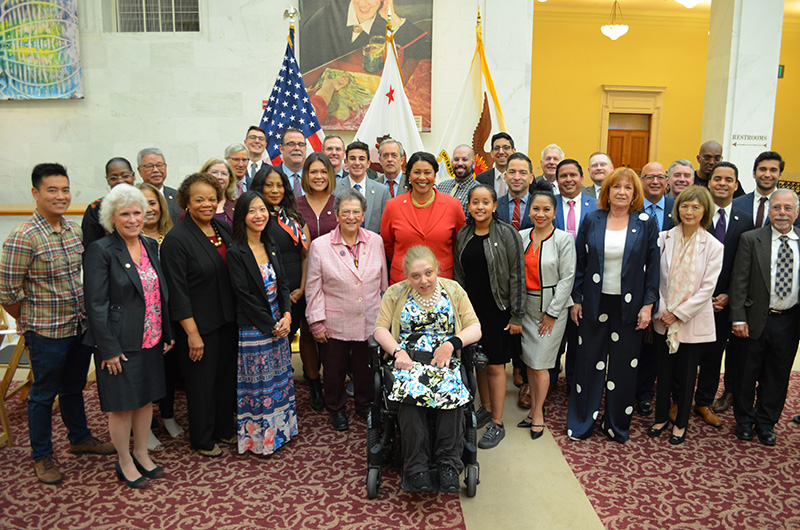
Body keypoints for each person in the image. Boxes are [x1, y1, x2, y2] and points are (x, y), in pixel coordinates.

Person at [0, 163, 115, 485]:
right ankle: (42, 455)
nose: (60, 196)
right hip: (46, 332)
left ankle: (79, 438)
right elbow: (6, 291)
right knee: (43, 394)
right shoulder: (22, 237)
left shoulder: (74, 231)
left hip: (78, 326)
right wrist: (30, 318)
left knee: (74, 387)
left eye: (65, 190)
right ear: (36, 193)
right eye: (52, 190)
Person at [83, 184, 174, 488]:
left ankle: (141, 453)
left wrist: (166, 333)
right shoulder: (101, 250)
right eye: (125, 214)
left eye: (137, 212)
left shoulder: (150, 244)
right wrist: (107, 348)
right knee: (122, 405)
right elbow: (95, 304)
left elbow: (161, 293)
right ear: (113, 217)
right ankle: (124, 460)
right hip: (119, 342)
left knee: (146, 399)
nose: (133, 219)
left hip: (151, 336)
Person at [374, 246, 481, 493]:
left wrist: (451, 344)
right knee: (411, 392)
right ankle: (416, 466)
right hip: (408, 360)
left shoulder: (453, 290)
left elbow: (474, 327)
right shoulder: (395, 293)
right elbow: (380, 329)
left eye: (428, 273)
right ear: (407, 276)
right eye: (415, 276)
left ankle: (448, 464)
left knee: (451, 391)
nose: (423, 281)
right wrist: (397, 351)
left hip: (444, 359)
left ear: (438, 269)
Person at [567, 168, 660, 443]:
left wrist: (648, 305)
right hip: (595, 304)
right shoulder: (592, 219)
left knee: (624, 367)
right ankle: (583, 422)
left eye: (628, 188)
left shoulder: (646, 222)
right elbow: (580, 263)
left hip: (629, 308)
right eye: (616, 186)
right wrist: (577, 299)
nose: (621, 192)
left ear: (635, 194)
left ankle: (616, 424)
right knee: (588, 364)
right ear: (607, 191)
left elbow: (653, 268)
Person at [160, 173, 238, 457]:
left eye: (211, 198)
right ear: (185, 202)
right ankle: (202, 439)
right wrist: (192, 334)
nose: (207, 204)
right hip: (198, 326)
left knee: (224, 379)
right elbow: (177, 294)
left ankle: (223, 430)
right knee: (201, 384)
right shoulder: (176, 240)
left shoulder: (221, 228)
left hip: (227, 320)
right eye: (199, 199)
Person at [306, 188, 388, 431]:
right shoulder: (321, 246)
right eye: (346, 212)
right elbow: (313, 288)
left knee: (366, 368)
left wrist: (384, 318)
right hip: (335, 321)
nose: (351, 217)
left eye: (356, 212)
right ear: (337, 215)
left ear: (363, 215)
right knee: (334, 369)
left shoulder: (376, 240)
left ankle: (364, 405)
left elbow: (383, 283)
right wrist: (316, 322)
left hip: (370, 317)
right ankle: (337, 408)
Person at [648, 186, 723, 445]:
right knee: (664, 372)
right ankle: (660, 417)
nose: (689, 211)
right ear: (677, 208)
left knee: (688, 374)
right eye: (684, 206)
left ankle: (681, 424)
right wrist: (664, 310)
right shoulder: (663, 238)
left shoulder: (713, 246)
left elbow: (706, 289)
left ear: (705, 211)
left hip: (690, 321)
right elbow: (655, 279)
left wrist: (678, 314)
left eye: (695, 207)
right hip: (662, 317)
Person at [455, 185, 525, 449]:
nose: (480, 207)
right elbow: (460, 276)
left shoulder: (507, 233)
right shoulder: (463, 234)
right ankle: (483, 408)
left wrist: (517, 315)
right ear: (469, 207)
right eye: (475, 202)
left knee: (495, 366)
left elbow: (518, 275)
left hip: (498, 309)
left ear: (495, 206)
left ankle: (497, 422)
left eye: (486, 202)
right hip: (472, 312)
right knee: (478, 363)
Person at [227, 191, 297, 455]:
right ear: (242, 216)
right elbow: (243, 296)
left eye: (263, 210)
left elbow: (284, 284)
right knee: (260, 385)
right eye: (252, 211)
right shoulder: (236, 252)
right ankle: (260, 440)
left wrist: (287, 317)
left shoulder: (271, 244)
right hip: (255, 328)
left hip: (279, 323)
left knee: (279, 380)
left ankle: (282, 431)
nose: (259, 215)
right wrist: (270, 324)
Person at [730, 189, 800, 446]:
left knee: (777, 375)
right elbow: (739, 282)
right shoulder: (751, 239)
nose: (782, 213)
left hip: (789, 322)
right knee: (746, 373)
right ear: (769, 211)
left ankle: (766, 423)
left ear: (796, 212)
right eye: (777, 208)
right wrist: (738, 318)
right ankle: (745, 421)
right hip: (753, 319)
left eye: (787, 208)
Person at [251, 166, 323, 411]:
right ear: (259, 187)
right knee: (277, 340)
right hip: (270, 293)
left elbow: (306, 256)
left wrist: (302, 288)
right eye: (269, 185)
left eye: (279, 185)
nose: (274, 190)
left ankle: (314, 385)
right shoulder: (256, 219)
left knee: (308, 337)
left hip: (300, 288)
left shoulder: (294, 218)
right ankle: (279, 391)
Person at [693, 163, 753, 422]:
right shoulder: (695, 215)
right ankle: (678, 400)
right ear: (709, 183)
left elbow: (745, 264)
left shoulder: (745, 220)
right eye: (717, 178)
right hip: (693, 299)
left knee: (713, 354)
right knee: (687, 354)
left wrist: (729, 294)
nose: (722, 183)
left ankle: (704, 402)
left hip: (723, 302)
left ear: (736, 185)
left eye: (729, 179)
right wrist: (700, 295)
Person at [517, 180, 576, 440]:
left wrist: (552, 313)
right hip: (526, 308)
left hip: (551, 309)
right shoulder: (520, 237)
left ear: (554, 212)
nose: (540, 214)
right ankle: (533, 411)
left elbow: (568, 278)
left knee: (541, 365)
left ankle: (538, 412)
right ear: (530, 210)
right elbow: (515, 275)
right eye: (536, 209)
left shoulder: (564, 239)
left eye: (546, 210)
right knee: (530, 361)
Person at [135, 182, 180, 450]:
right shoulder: (130, 239)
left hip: (171, 316)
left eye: (152, 203)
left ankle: (168, 415)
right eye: (141, 203)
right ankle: (145, 426)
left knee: (169, 372)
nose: (148, 209)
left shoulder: (171, 234)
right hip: (143, 320)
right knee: (144, 374)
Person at [381, 151, 466, 284]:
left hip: (442, 280)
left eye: (427, 172)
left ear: (434, 175)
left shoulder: (453, 205)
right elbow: (388, 245)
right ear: (409, 175)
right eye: (417, 172)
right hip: (403, 280)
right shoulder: (393, 206)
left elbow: (459, 244)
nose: (422, 177)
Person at [334, 141, 390, 234]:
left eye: (361, 159)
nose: (357, 163)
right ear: (346, 163)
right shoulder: (335, 189)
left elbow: (386, 225)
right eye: (352, 158)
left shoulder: (382, 191)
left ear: (368, 163)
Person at [82, 157, 137, 249]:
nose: (120, 181)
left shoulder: (143, 203)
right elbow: (90, 247)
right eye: (114, 178)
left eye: (125, 176)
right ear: (108, 180)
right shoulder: (96, 209)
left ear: (133, 176)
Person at [732, 151, 795, 228]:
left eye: (773, 170)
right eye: (762, 169)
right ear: (754, 173)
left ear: (780, 175)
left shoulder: (793, 207)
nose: (767, 175)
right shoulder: (736, 204)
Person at [296, 152, 338, 241]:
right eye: (313, 172)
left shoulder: (339, 205)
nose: (319, 176)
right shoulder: (295, 206)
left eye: (324, 172)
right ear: (306, 175)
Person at [137, 147, 179, 222]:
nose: (156, 170)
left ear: (165, 167)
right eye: (149, 166)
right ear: (139, 171)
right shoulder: (134, 197)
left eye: (159, 165)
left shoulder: (178, 197)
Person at [437, 145, 481, 216]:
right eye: (456, 159)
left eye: (465, 159)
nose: (460, 163)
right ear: (452, 162)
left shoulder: (478, 191)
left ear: (473, 164)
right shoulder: (441, 187)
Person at [200, 158, 237, 228]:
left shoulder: (237, 205)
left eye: (224, 173)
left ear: (230, 179)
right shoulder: (192, 204)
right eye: (214, 172)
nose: (219, 177)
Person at [477, 133, 515, 197]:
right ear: (491, 153)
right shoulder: (481, 178)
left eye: (506, 147)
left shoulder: (522, 178)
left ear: (514, 151)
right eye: (497, 148)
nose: (501, 152)